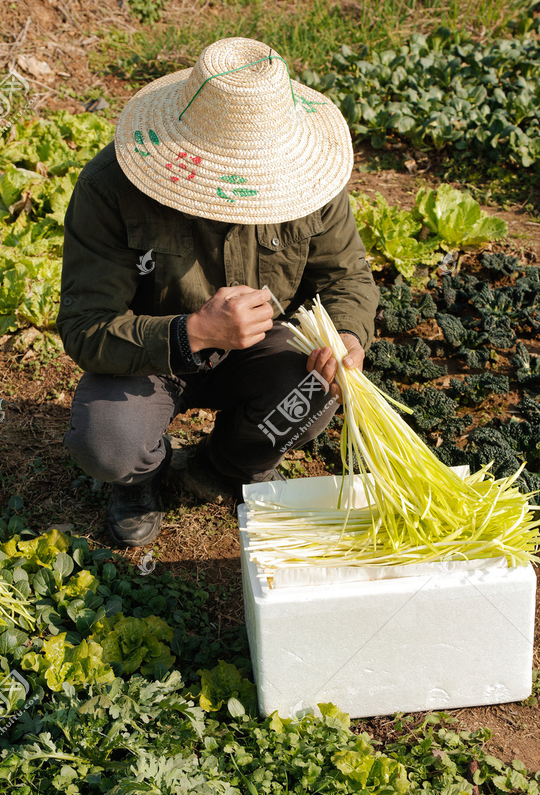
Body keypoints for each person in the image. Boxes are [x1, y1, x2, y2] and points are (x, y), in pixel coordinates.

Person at [57, 37, 379, 548]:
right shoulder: (110, 188)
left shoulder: (308, 182)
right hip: (149, 358)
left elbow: (345, 278)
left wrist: (346, 334)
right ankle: (142, 478)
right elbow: (86, 326)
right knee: (108, 443)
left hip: (262, 353)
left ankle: (231, 460)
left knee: (316, 391)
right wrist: (195, 332)